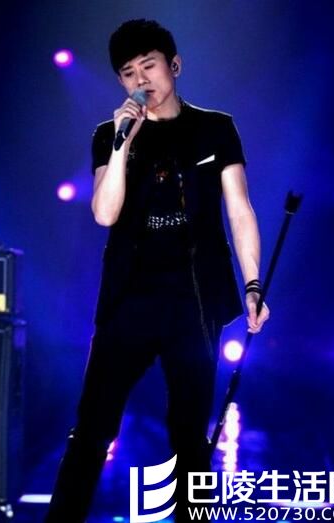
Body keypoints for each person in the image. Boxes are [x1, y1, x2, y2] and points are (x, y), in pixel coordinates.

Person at [46, 18, 269, 523]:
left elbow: (240, 211)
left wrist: (253, 283)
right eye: (128, 73)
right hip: (129, 299)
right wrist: (123, 143)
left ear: (175, 65)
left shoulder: (216, 128)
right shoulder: (109, 135)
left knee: (189, 433)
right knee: (92, 428)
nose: (140, 79)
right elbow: (105, 213)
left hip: (194, 299)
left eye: (149, 65)